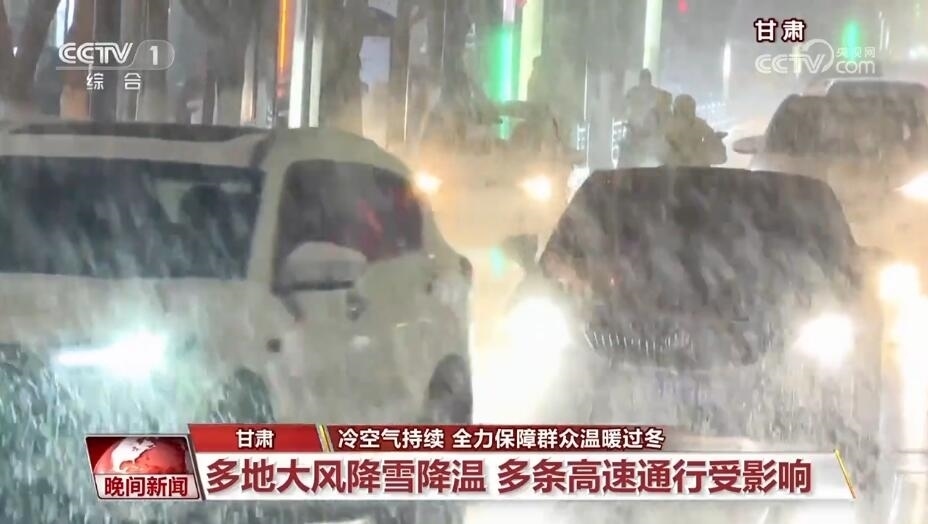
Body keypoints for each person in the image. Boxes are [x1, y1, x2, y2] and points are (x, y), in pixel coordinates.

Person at [665, 94, 726, 166]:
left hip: (700, 167)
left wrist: (716, 138)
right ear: (678, 109)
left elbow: (710, 138)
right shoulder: (670, 125)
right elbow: (669, 145)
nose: (690, 111)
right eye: (686, 109)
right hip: (677, 167)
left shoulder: (700, 123)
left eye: (691, 108)